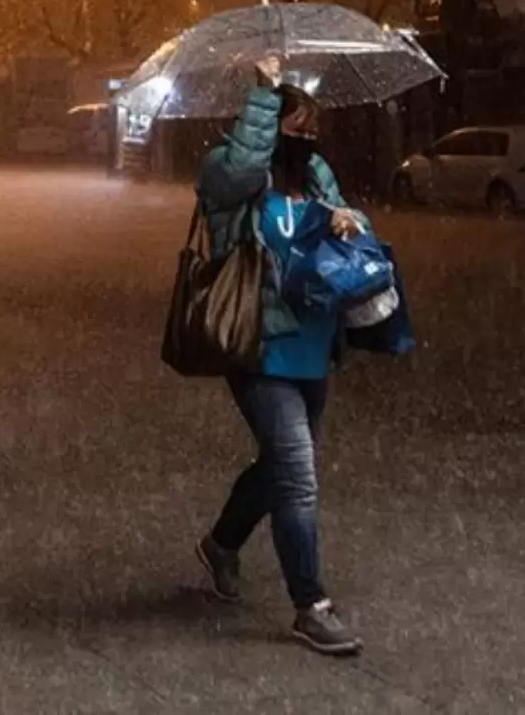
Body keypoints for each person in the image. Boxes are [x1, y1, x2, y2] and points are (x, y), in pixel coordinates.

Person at [194, 56, 366, 656]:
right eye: (297, 125)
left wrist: (347, 220)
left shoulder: (312, 172)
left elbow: (351, 215)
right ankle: (310, 605)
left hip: (313, 345)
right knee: (296, 473)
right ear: (265, 121)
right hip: (256, 345)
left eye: (312, 127)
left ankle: (220, 544)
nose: (307, 137)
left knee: (280, 466)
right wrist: (265, 95)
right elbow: (243, 169)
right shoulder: (226, 169)